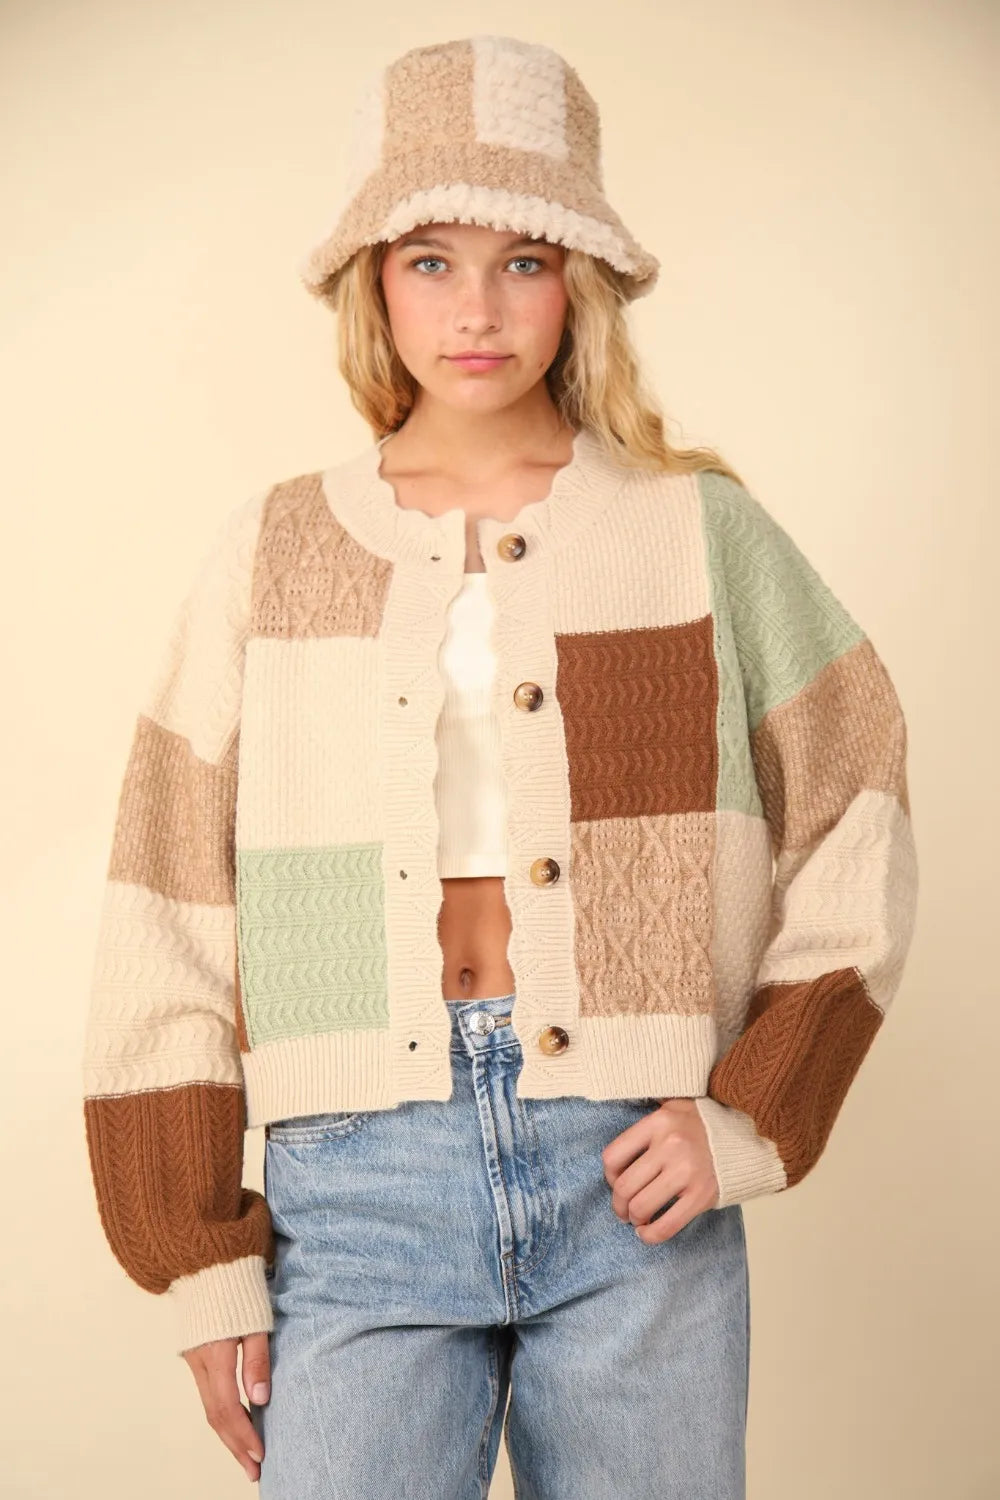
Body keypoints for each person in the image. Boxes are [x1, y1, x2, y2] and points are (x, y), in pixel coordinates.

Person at [81, 34, 918, 1498]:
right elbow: (168, 900)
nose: (477, 310)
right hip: (357, 1188)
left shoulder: (690, 529)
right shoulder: (275, 550)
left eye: (525, 260)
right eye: (431, 261)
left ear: (580, 281)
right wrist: (200, 1259)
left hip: (632, 1175)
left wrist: (753, 1111)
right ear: (374, 282)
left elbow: (859, 795)